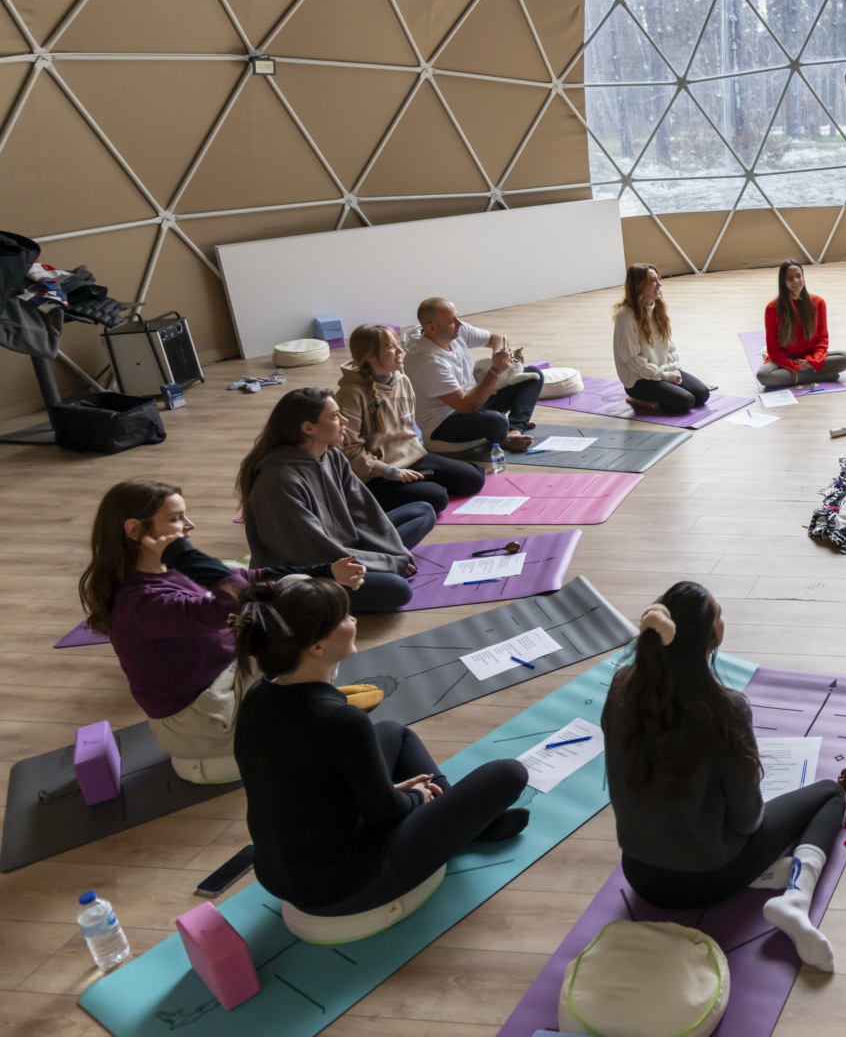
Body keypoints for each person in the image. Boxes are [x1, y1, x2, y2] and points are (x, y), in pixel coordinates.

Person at [232, 575, 530, 918]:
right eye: (344, 617)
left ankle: (469, 827)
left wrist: (393, 793)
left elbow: (308, 787)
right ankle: (468, 827)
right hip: (346, 884)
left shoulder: (257, 697)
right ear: (317, 647)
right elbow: (385, 812)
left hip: (282, 871)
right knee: (509, 773)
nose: (354, 620)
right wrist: (416, 796)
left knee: (392, 732)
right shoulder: (341, 720)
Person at [604, 581, 844, 971]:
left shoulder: (620, 690)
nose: (723, 619)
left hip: (641, 876)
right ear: (710, 639)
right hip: (711, 878)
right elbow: (747, 820)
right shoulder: (724, 710)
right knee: (831, 793)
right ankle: (796, 899)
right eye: (719, 615)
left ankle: (768, 874)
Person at [78, 481, 379, 784]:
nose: (190, 525)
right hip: (201, 722)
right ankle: (310, 710)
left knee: (297, 587)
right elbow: (243, 599)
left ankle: (310, 699)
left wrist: (326, 571)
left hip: (223, 681)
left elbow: (248, 577)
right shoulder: (141, 603)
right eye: (176, 518)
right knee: (305, 620)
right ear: (135, 530)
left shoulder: (167, 568)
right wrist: (185, 555)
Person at [238, 387, 434, 614]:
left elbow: (365, 514)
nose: (344, 420)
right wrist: (391, 562)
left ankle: (380, 563)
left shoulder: (332, 456)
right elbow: (313, 552)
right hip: (308, 574)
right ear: (308, 428)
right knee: (398, 589)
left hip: (343, 549)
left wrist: (396, 555)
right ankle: (379, 567)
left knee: (423, 512)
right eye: (335, 416)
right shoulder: (279, 481)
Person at [337, 324, 484, 515]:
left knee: (474, 478)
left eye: (397, 344)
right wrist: (390, 472)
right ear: (370, 357)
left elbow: (407, 430)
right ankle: (373, 496)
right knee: (437, 498)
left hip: (413, 456)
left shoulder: (401, 379)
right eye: (391, 347)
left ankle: (419, 484)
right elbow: (349, 451)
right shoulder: (350, 394)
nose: (400, 351)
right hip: (375, 473)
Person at [403, 297, 539, 454]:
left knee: (532, 375)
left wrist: (498, 353)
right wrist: (495, 370)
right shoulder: (425, 361)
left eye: (457, 316)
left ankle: (514, 431)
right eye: (452, 320)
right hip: (445, 422)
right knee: (497, 421)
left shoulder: (456, 330)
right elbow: (466, 406)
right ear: (432, 327)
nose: (459, 323)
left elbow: (496, 338)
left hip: (474, 401)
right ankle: (503, 436)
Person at [614, 263, 711, 415]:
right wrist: (665, 376)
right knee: (686, 401)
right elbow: (632, 359)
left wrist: (673, 371)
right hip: (639, 380)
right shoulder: (626, 314)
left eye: (658, 279)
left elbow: (669, 348)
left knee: (702, 394)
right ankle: (640, 401)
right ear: (639, 285)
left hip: (660, 372)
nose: (659, 284)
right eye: (653, 280)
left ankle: (664, 388)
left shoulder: (657, 308)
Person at [758, 259, 846, 390]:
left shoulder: (818, 302)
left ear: (803, 277)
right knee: (763, 375)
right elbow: (773, 349)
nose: (796, 281)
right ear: (783, 281)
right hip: (785, 361)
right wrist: (795, 365)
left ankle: (800, 376)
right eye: (790, 278)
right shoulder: (772, 308)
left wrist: (813, 361)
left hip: (810, 359)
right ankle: (816, 376)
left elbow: (822, 340)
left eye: (799, 276)